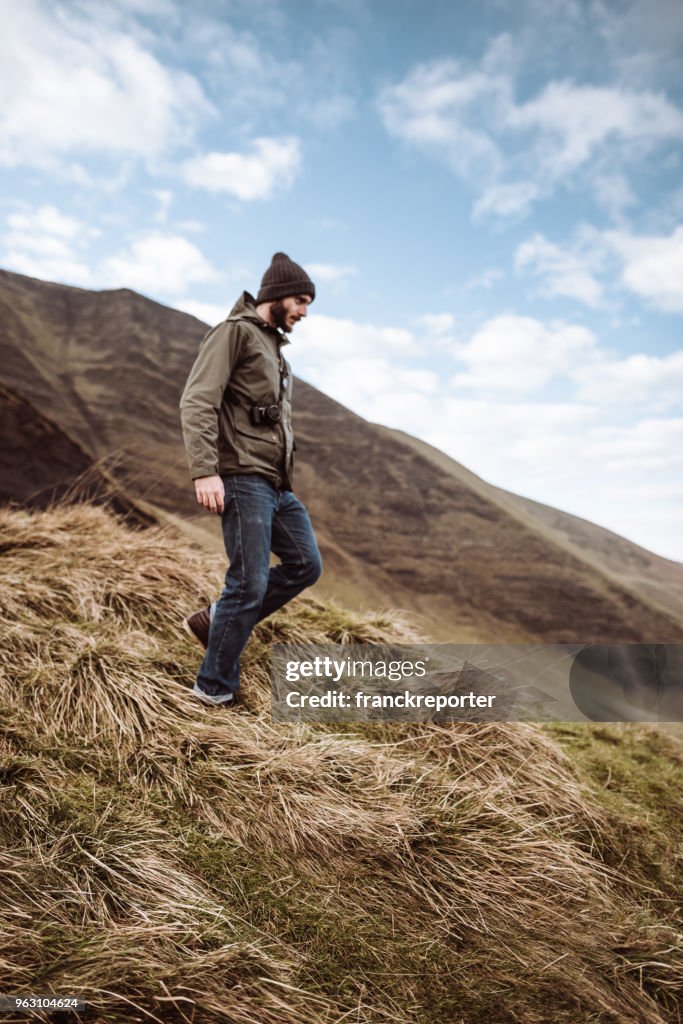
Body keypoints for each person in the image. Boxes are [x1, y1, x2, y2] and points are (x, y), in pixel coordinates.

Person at [179, 252, 323, 707]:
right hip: (242, 478)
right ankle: (212, 690)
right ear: (276, 296)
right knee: (249, 582)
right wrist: (206, 470)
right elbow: (197, 401)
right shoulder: (234, 334)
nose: (303, 312)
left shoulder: (276, 352)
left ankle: (216, 621)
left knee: (306, 565)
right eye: (301, 300)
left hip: (277, 486)